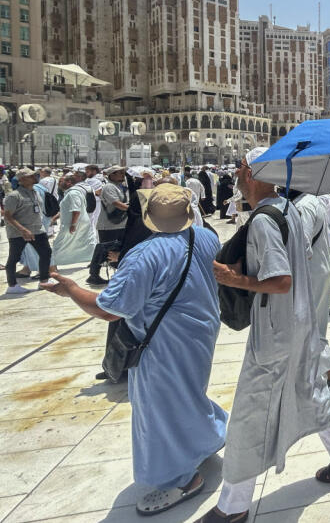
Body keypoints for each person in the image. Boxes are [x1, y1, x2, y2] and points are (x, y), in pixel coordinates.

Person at [40, 184, 228, 517]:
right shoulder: (204, 237)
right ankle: (207, 437)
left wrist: (71, 289)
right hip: (200, 331)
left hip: (164, 343)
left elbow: (108, 309)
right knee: (187, 392)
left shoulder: (144, 255)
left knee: (160, 408)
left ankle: (181, 479)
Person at [202, 153, 330, 523]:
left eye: (242, 166)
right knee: (309, 389)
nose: (238, 173)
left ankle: (233, 506)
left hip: (276, 335)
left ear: (256, 173)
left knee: (248, 416)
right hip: (297, 324)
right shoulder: (287, 209)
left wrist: (235, 279)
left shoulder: (265, 219)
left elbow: (281, 280)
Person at [288, 188, 330, 395]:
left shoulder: (303, 206)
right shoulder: (309, 201)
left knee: (304, 326)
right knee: (312, 325)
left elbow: (301, 247)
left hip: (311, 272)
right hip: (319, 269)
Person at [3, 168, 51, 294]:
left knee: (46, 253)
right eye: (31, 176)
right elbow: (8, 216)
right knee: (14, 257)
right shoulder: (14, 196)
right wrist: (23, 230)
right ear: (22, 180)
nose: (35, 177)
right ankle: (12, 286)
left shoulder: (35, 192)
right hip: (19, 233)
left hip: (37, 230)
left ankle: (44, 281)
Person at [88, 166, 128, 286]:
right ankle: (94, 274)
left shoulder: (119, 187)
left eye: (123, 172)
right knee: (104, 250)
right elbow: (116, 203)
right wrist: (133, 210)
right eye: (119, 173)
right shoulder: (109, 187)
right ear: (111, 175)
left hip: (119, 224)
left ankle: (118, 274)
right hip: (109, 226)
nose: (122, 175)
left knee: (116, 249)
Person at [48, 173, 96, 270]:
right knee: (84, 242)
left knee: (59, 243)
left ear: (69, 182)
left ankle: (52, 265)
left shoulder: (73, 193)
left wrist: (73, 224)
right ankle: (94, 261)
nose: (59, 184)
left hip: (75, 222)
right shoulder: (71, 193)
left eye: (61, 182)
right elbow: (66, 209)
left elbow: (76, 210)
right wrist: (54, 218)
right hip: (77, 221)